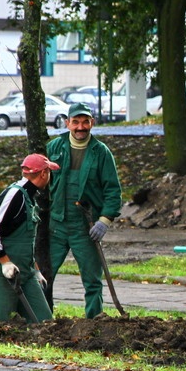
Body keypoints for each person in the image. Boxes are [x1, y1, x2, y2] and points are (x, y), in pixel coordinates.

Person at [46, 102, 122, 318]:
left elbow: (113, 191)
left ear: (92, 123)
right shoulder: (53, 148)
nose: (81, 127)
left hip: (85, 227)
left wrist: (104, 221)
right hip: (56, 226)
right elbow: (38, 183)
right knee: (43, 275)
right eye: (76, 122)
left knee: (92, 281)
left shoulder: (101, 153)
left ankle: (94, 321)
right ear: (67, 123)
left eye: (85, 122)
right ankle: (42, 319)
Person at [0, 154, 59, 323]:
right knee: (2, 324)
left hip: (25, 269)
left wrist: (36, 269)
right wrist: (5, 262)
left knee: (44, 322)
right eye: (49, 173)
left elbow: (26, 241)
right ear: (44, 174)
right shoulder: (14, 194)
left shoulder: (30, 197)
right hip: (1, 269)